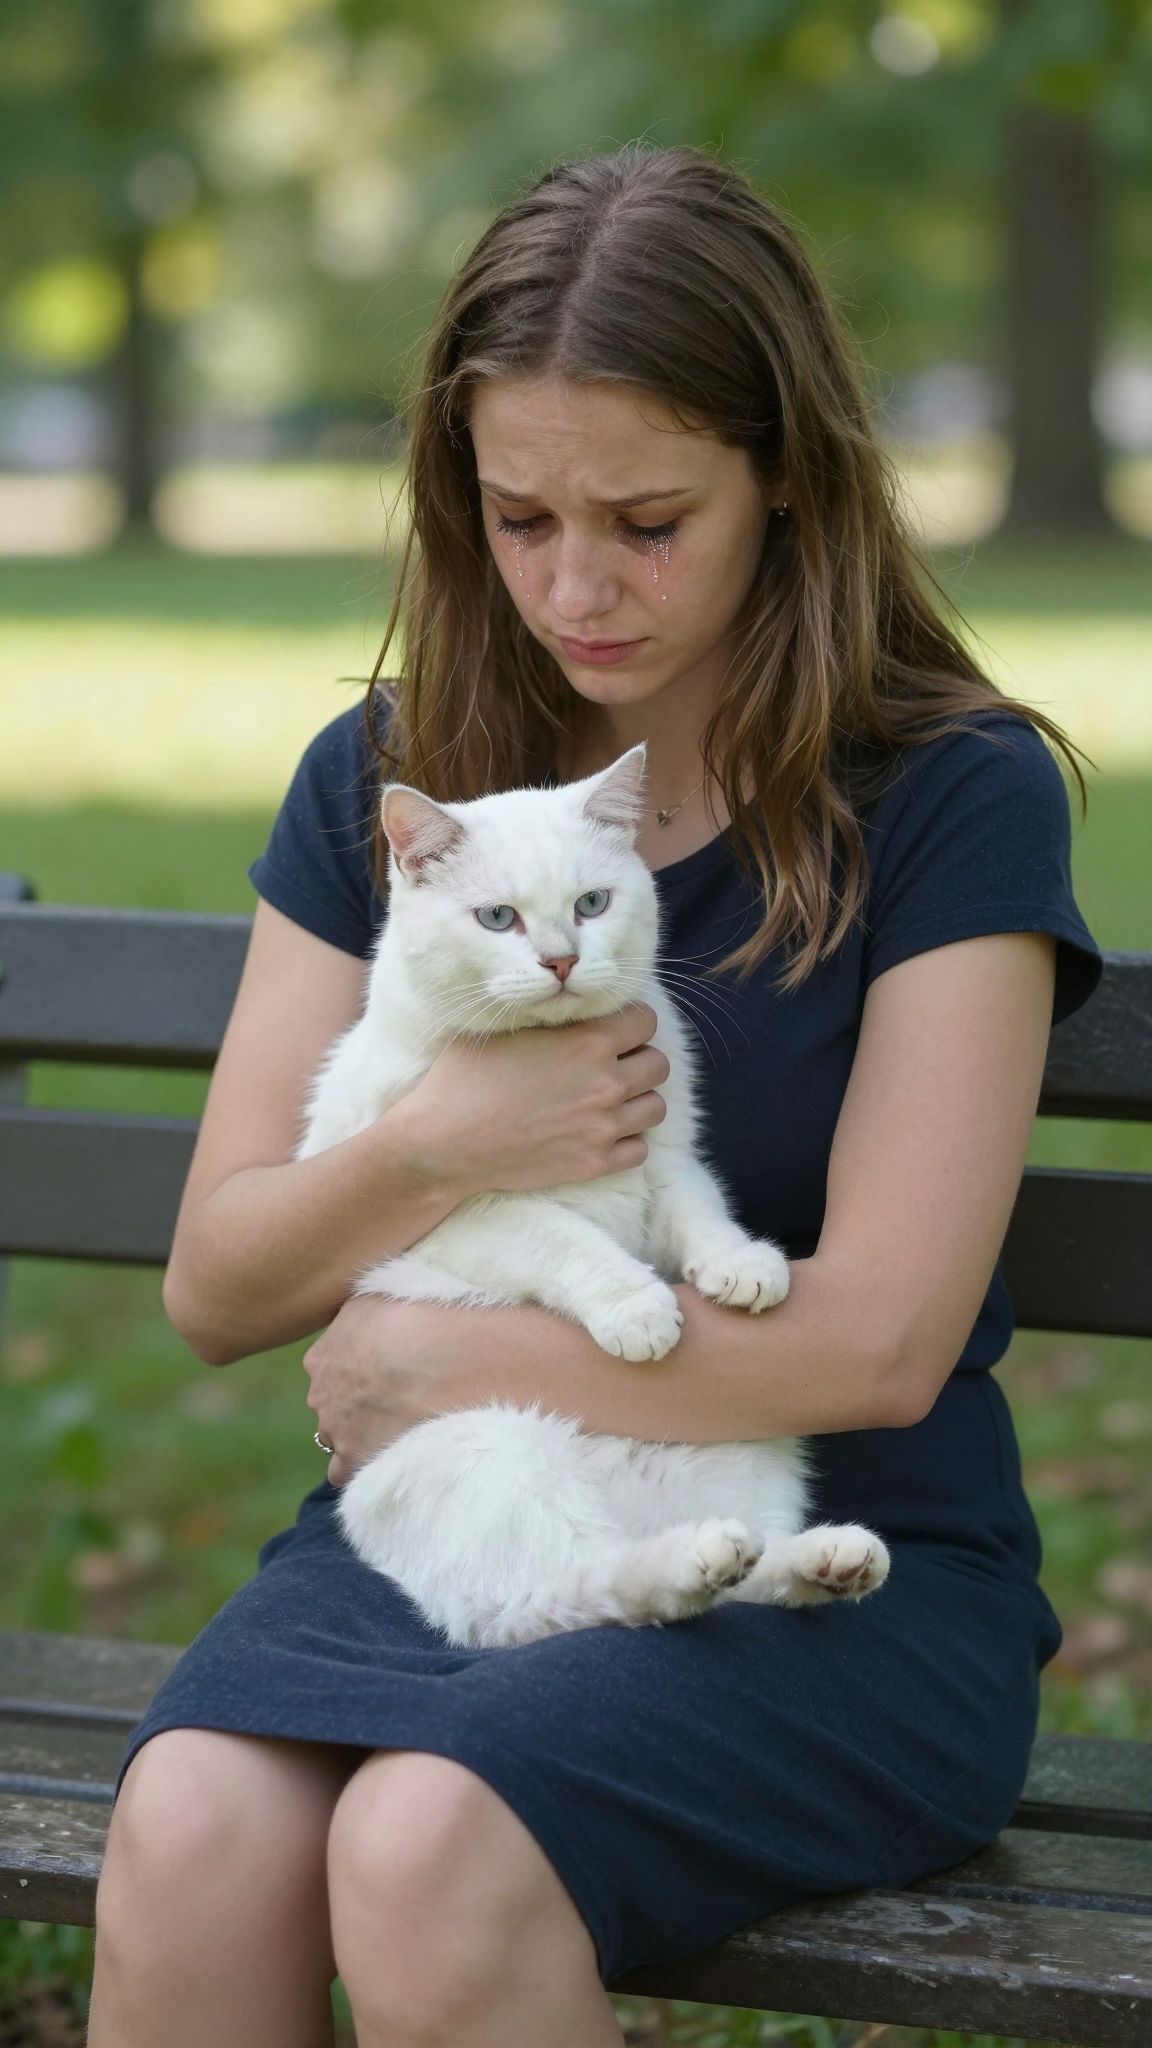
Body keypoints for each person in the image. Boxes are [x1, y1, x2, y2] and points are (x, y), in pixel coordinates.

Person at [88, 141, 1104, 2048]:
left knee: (426, 1840)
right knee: (193, 1827)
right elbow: (221, 1287)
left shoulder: (948, 794)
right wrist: (431, 1148)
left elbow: (878, 1348)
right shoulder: (395, 790)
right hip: (466, 1523)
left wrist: (434, 1364)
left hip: (840, 1561)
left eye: (647, 519)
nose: (576, 588)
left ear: (784, 471)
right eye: (518, 515)